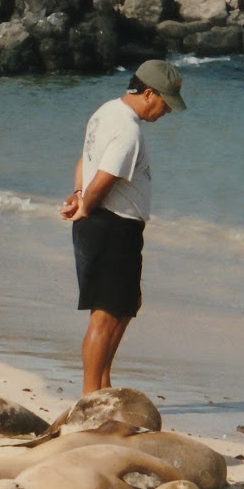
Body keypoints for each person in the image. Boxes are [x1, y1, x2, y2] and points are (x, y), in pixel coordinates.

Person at [58, 59, 187, 394]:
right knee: (106, 314)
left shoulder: (106, 112)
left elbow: (84, 160)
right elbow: (104, 177)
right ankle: (91, 396)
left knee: (123, 309)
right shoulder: (128, 130)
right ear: (148, 94)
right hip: (111, 226)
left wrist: (77, 195)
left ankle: (103, 383)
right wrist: (86, 205)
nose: (167, 112)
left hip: (108, 225)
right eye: (165, 103)